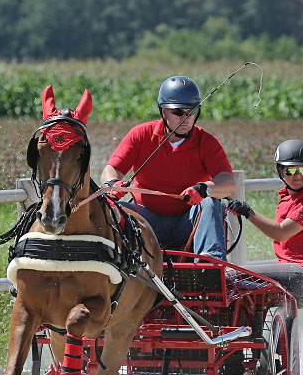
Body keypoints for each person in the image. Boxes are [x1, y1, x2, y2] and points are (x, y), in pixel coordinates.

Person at [100, 75, 236, 259]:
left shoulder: (207, 142)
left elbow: (228, 182)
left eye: (191, 112)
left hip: (188, 222)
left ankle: (210, 265)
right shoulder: (140, 135)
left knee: (211, 203)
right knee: (113, 208)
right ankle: (114, 264)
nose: (186, 118)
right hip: (147, 221)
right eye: (178, 112)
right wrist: (113, 184)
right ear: (163, 112)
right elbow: (110, 170)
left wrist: (205, 188)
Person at [227, 139, 303, 308]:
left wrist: (248, 213)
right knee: (246, 299)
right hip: (299, 273)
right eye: (291, 170)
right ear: (280, 171)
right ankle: (266, 333)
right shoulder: (288, 195)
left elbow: (281, 232)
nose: (297, 175)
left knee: (233, 277)